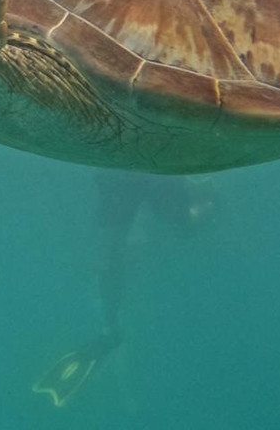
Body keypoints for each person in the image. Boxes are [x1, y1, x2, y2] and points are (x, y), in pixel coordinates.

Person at [33, 172, 216, 407]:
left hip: (127, 174)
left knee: (114, 248)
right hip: (130, 175)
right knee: (113, 249)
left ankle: (110, 331)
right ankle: (110, 331)